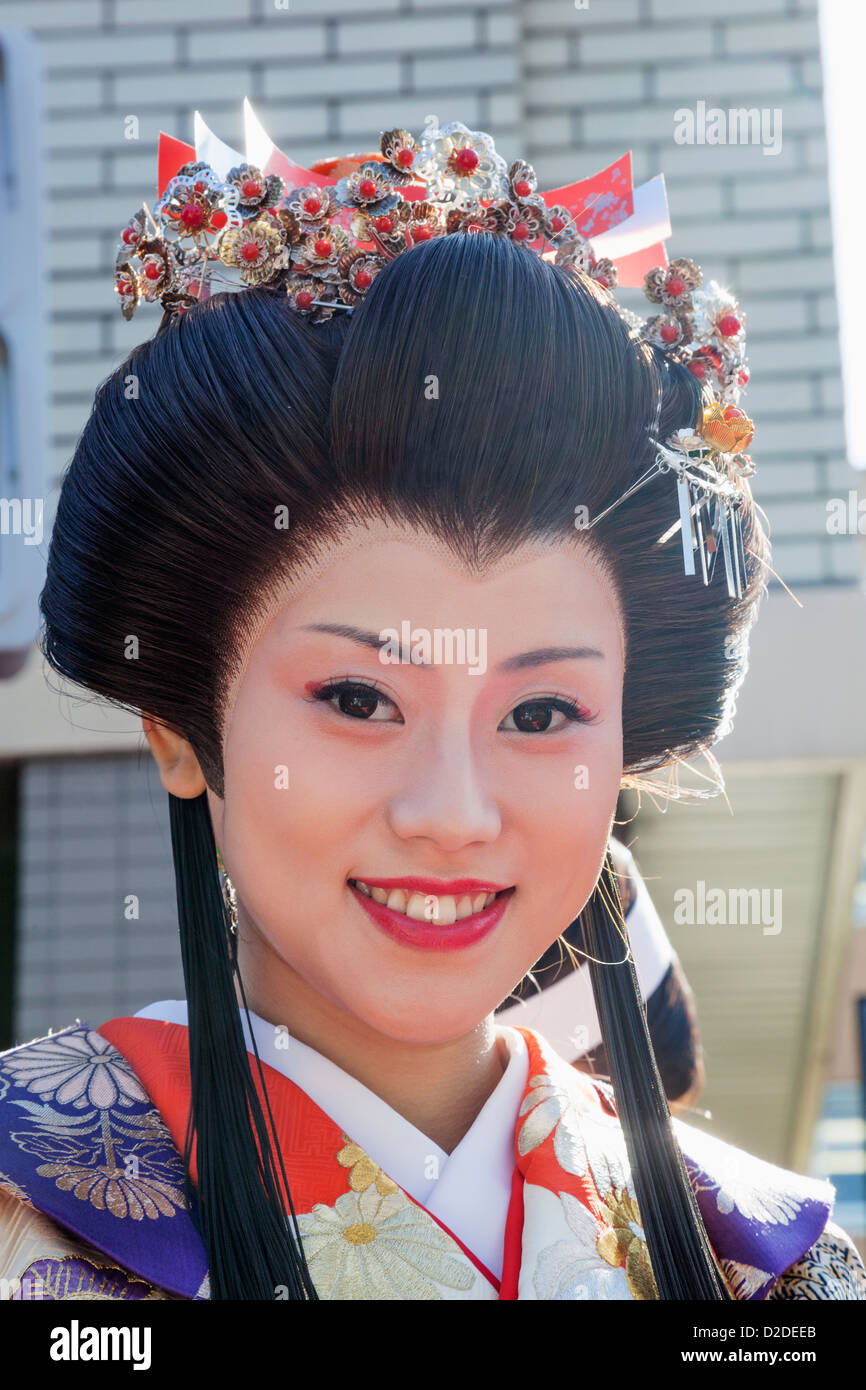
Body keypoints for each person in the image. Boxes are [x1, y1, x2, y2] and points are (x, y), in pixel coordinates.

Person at [1, 114, 863, 1302]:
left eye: (543, 712)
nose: (452, 813)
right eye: (357, 697)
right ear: (179, 726)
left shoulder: (772, 1272)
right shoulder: (27, 1204)